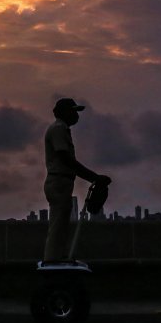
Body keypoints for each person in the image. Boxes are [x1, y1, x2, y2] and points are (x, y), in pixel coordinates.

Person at [43, 98, 111, 263]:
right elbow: (66, 159)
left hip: (63, 182)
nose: (76, 115)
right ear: (64, 112)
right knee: (58, 227)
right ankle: (52, 262)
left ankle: (58, 258)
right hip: (59, 181)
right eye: (73, 111)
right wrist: (93, 177)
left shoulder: (62, 129)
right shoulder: (58, 128)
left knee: (61, 225)